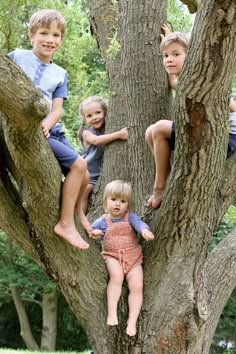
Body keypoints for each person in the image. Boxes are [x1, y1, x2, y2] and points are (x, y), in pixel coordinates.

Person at [8, 9, 91, 249]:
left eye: (56, 35)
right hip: (27, 126)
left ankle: (77, 214)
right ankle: (65, 223)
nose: (50, 39)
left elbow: (57, 110)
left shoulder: (60, 74)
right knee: (79, 165)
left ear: (61, 40)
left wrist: (46, 124)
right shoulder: (16, 57)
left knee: (84, 174)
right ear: (31, 35)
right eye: (44, 33)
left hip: (51, 129)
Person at [145, 24, 236, 208]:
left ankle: (160, 187)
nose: (169, 59)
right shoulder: (185, 81)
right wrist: (171, 40)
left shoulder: (201, 80)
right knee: (150, 132)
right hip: (206, 132)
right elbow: (173, 81)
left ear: (192, 55)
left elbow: (232, 106)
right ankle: (170, 177)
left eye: (176, 54)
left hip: (226, 137)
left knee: (161, 127)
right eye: (166, 56)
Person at [91, 180, 154, 336]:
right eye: (113, 199)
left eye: (123, 201)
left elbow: (140, 224)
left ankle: (132, 322)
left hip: (133, 258)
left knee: (137, 286)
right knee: (116, 276)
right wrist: (95, 234)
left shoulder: (130, 217)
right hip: (113, 256)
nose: (117, 204)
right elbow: (91, 231)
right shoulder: (102, 221)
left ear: (128, 204)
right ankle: (112, 313)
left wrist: (145, 230)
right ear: (106, 201)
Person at [78, 96, 128, 213]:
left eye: (98, 113)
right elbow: (96, 140)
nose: (95, 117)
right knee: (85, 191)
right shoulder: (86, 132)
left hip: (100, 173)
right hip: (88, 173)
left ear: (105, 112)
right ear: (84, 119)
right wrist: (119, 134)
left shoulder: (108, 128)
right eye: (89, 116)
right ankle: (81, 220)